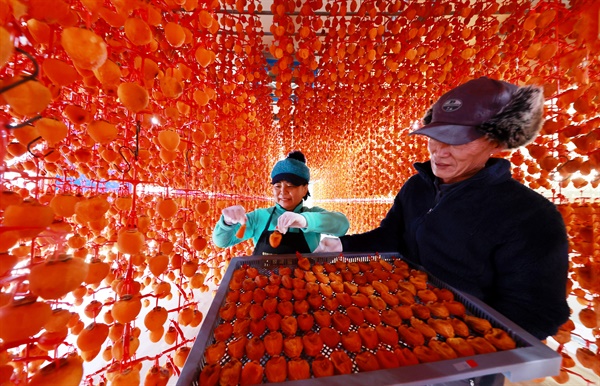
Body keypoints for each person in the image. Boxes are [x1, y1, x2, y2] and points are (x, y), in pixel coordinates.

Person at [316, 77, 570, 384]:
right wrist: (340, 246)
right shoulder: (417, 188)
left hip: (461, 364)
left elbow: (538, 311)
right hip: (396, 328)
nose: (439, 152)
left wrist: (460, 341)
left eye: (458, 141)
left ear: (496, 141)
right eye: (435, 137)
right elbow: (392, 236)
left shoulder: (530, 216)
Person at [213, 150, 350, 255]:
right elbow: (223, 241)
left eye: (290, 186)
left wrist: (304, 220)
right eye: (277, 186)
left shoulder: (313, 214)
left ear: (304, 189)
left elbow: (342, 225)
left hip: (305, 289)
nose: (283, 192)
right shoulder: (260, 217)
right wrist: (227, 222)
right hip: (265, 289)